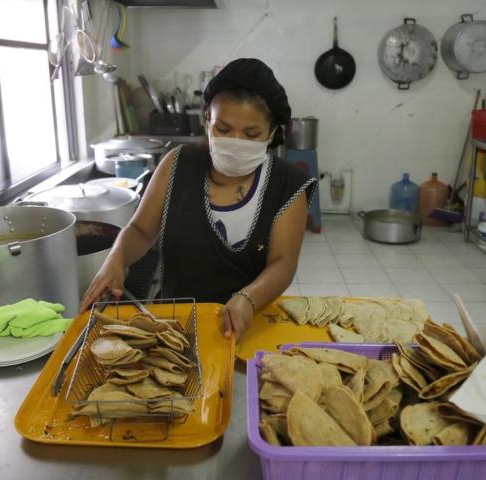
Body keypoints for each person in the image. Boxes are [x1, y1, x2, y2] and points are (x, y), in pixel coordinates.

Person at [80, 58, 316, 340]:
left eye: (251, 134)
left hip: (249, 324)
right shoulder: (177, 164)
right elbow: (141, 231)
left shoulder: (286, 184)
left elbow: (283, 262)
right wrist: (117, 258)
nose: (236, 141)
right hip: (175, 325)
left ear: (272, 134)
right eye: (223, 129)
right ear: (207, 121)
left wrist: (248, 298)